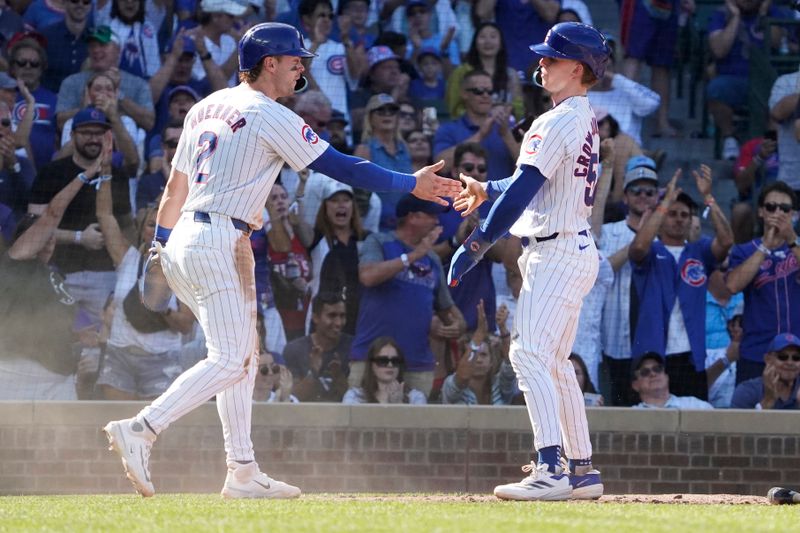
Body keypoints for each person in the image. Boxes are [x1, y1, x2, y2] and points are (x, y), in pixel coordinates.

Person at [102, 22, 460, 500]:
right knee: (231, 358)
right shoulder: (269, 113)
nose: (301, 67)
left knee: (242, 358)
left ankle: (242, 470)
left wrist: (159, 245)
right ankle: (142, 428)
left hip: (193, 234)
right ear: (269, 63)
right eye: (295, 60)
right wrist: (408, 183)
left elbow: (174, 189)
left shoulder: (207, 106)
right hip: (217, 236)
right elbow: (342, 166)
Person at [448, 22, 610, 501]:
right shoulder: (579, 116)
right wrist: (486, 189)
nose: (541, 63)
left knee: (528, 355)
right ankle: (581, 470)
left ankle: (551, 468)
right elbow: (530, 182)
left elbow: (522, 193)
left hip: (556, 251)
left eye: (552, 58)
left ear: (577, 68)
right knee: (555, 364)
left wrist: (477, 242)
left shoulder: (556, 120)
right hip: (571, 245)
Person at [0, 162, 105, 400]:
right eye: (43, 236)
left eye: (51, 237)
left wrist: (81, 336)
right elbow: (52, 213)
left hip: (57, 374)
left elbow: (58, 323)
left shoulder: (52, 275)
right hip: (18, 375)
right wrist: (85, 175)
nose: (49, 241)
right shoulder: (16, 263)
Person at [628, 168, 734, 401]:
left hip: (691, 357)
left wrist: (708, 197)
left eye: (684, 215)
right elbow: (636, 248)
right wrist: (664, 202)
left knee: (693, 427)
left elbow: (726, 240)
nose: (678, 219)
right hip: (653, 360)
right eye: (672, 213)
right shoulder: (651, 251)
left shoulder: (699, 251)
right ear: (662, 216)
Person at [94, 166, 195, 401]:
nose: (156, 230)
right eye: (151, 225)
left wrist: (161, 306)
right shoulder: (127, 258)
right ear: (142, 231)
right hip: (119, 355)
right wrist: (106, 170)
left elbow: (185, 326)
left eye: (163, 227)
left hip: (161, 360)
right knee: (117, 428)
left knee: (155, 433)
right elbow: (104, 215)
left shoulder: (185, 271)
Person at [28, 107, 134, 322]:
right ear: (72, 135)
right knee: (56, 339)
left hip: (105, 274)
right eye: (87, 133)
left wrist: (129, 271)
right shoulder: (51, 173)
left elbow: (127, 227)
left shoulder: (118, 175)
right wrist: (78, 237)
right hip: (61, 272)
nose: (94, 139)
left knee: (103, 341)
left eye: (99, 133)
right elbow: (31, 230)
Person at [725, 182, 800, 384]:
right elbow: (732, 285)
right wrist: (765, 246)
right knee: (751, 414)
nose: (778, 212)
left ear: (793, 214)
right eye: (771, 207)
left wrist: (792, 239)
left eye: (784, 209)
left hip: (796, 356)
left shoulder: (797, 247)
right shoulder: (744, 250)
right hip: (756, 352)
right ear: (760, 212)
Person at [308, 179, 367, 334]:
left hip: (359, 315)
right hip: (326, 316)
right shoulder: (316, 238)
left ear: (353, 206)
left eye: (346, 200)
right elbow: (300, 226)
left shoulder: (366, 239)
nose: (341, 205)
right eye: (334, 200)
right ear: (325, 206)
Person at [441, 300, 516, 405]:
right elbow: (463, 377)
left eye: (483, 355)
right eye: (475, 355)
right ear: (462, 361)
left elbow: (510, 363)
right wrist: (479, 334)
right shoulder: (450, 385)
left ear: (491, 362)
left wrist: (503, 328)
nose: (479, 360)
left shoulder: (500, 386)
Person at [445, 22, 523, 120]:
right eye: (482, 37)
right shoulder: (461, 73)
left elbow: (519, 110)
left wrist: (506, 110)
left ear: (501, 43)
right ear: (475, 42)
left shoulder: (511, 74)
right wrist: (485, 114)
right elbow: (454, 108)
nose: (488, 41)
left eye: (493, 37)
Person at [283, 292, 351, 402]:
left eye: (342, 316)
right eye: (332, 316)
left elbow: (354, 399)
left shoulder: (352, 347)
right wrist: (313, 371)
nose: (338, 323)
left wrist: (338, 375)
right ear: (315, 318)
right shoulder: (295, 349)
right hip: (303, 415)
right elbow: (292, 399)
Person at [342, 336, 427, 404]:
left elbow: (418, 425)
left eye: (395, 361)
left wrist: (399, 404)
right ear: (371, 365)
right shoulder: (355, 396)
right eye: (383, 361)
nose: (390, 365)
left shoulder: (416, 397)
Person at [731, 333, 800, 409]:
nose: (790, 362)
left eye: (796, 357)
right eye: (782, 357)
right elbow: (738, 421)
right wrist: (768, 400)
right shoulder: (747, 391)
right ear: (768, 359)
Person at [39, 0, 91, 93]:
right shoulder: (46, 36)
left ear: (90, 6)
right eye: (74, 1)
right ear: (65, 3)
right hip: (51, 100)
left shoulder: (95, 40)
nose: (80, 5)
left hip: (83, 103)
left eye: (86, 2)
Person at [631, 352, 714, 409]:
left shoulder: (696, 406)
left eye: (657, 369)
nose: (653, 374)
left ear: (667, 377)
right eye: (645, 372)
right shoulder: (630, 415)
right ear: (635, 385)